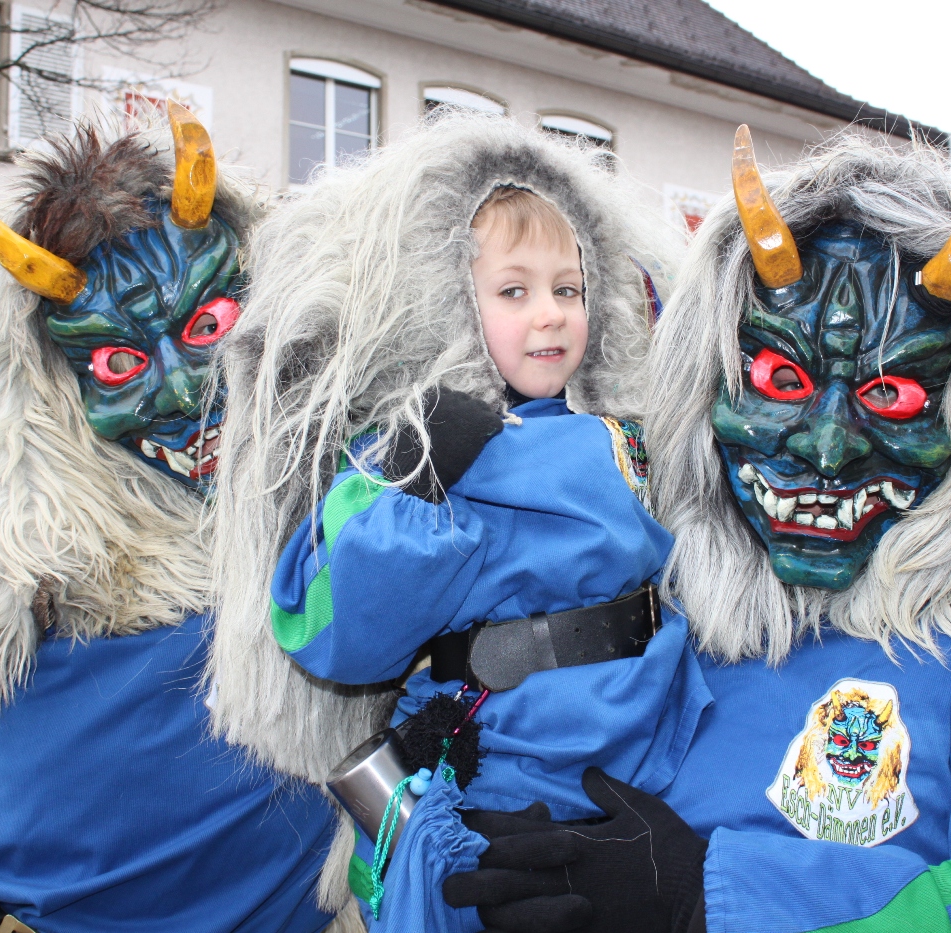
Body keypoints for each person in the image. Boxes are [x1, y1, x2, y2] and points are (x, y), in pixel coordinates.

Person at [442, 132, 951, 932]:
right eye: (782, 379)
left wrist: (710, 896)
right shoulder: (650, 589)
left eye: (890, 394)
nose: (826, 445)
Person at [0, 111, 375, 933]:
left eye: (207, 328)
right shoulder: (1, 546)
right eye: (120, 361)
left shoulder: (360, 505)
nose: (182, 391)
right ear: (54, 381)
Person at [208, 112, 685, 931]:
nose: (550, 314)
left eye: (568, 289)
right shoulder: (426, 443)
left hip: (652, 740)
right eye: (513, 291)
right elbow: (326, 625)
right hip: (511, 759)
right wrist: (417, 476)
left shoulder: (629, 431)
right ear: (452, 301)